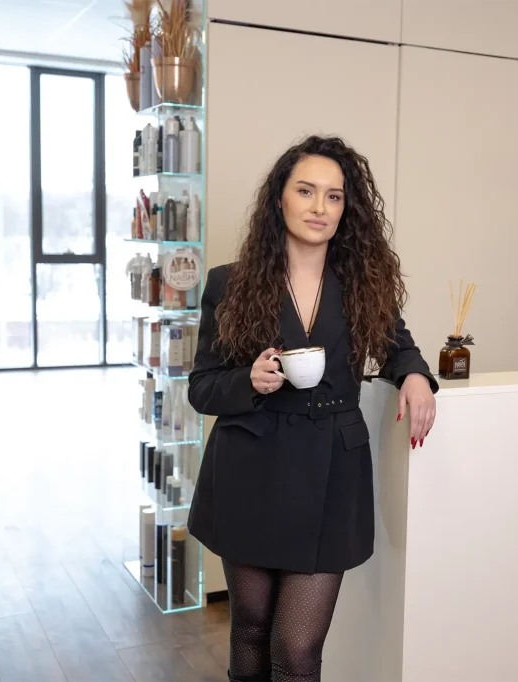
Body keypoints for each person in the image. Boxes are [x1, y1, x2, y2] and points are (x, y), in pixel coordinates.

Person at [186, 135, 438, 682]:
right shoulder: (229, 283)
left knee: (297, 648)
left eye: (334, 196)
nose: (319, 206)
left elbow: (399, 347)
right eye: (305, 191)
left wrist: (416, 376)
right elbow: (201, 388)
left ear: (347, 209)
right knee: (250, 629)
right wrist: (248, 380)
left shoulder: (364, 285)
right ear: (280, 197)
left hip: (332, 476)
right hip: (249, 469)